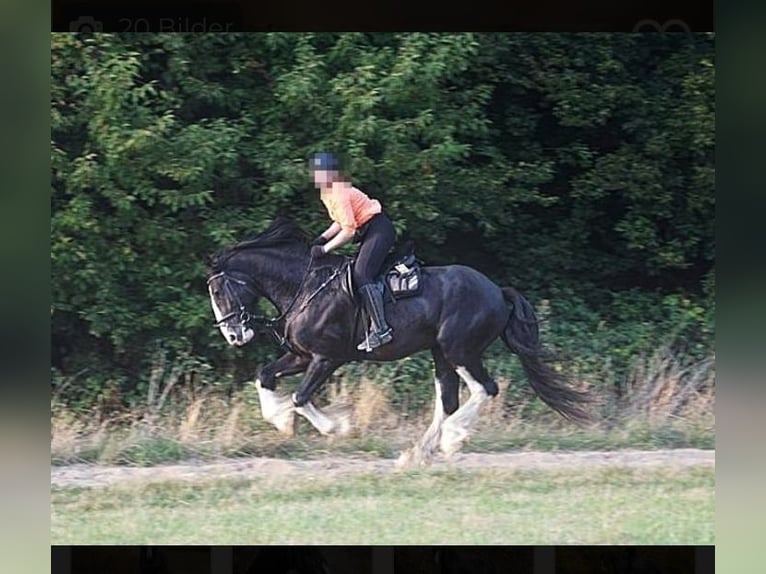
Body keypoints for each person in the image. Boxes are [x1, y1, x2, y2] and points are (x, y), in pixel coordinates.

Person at [309, 151, 395, 352]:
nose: (317, 177)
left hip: (378, 229)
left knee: (361, 274)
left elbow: (349, 231)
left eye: (321, 173)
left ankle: (382, 330)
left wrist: (325, 248)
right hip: (367, 230)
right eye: (316, 173)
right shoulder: (326, 193)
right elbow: (339, 222)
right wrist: (322, 237)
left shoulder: (338, 192)